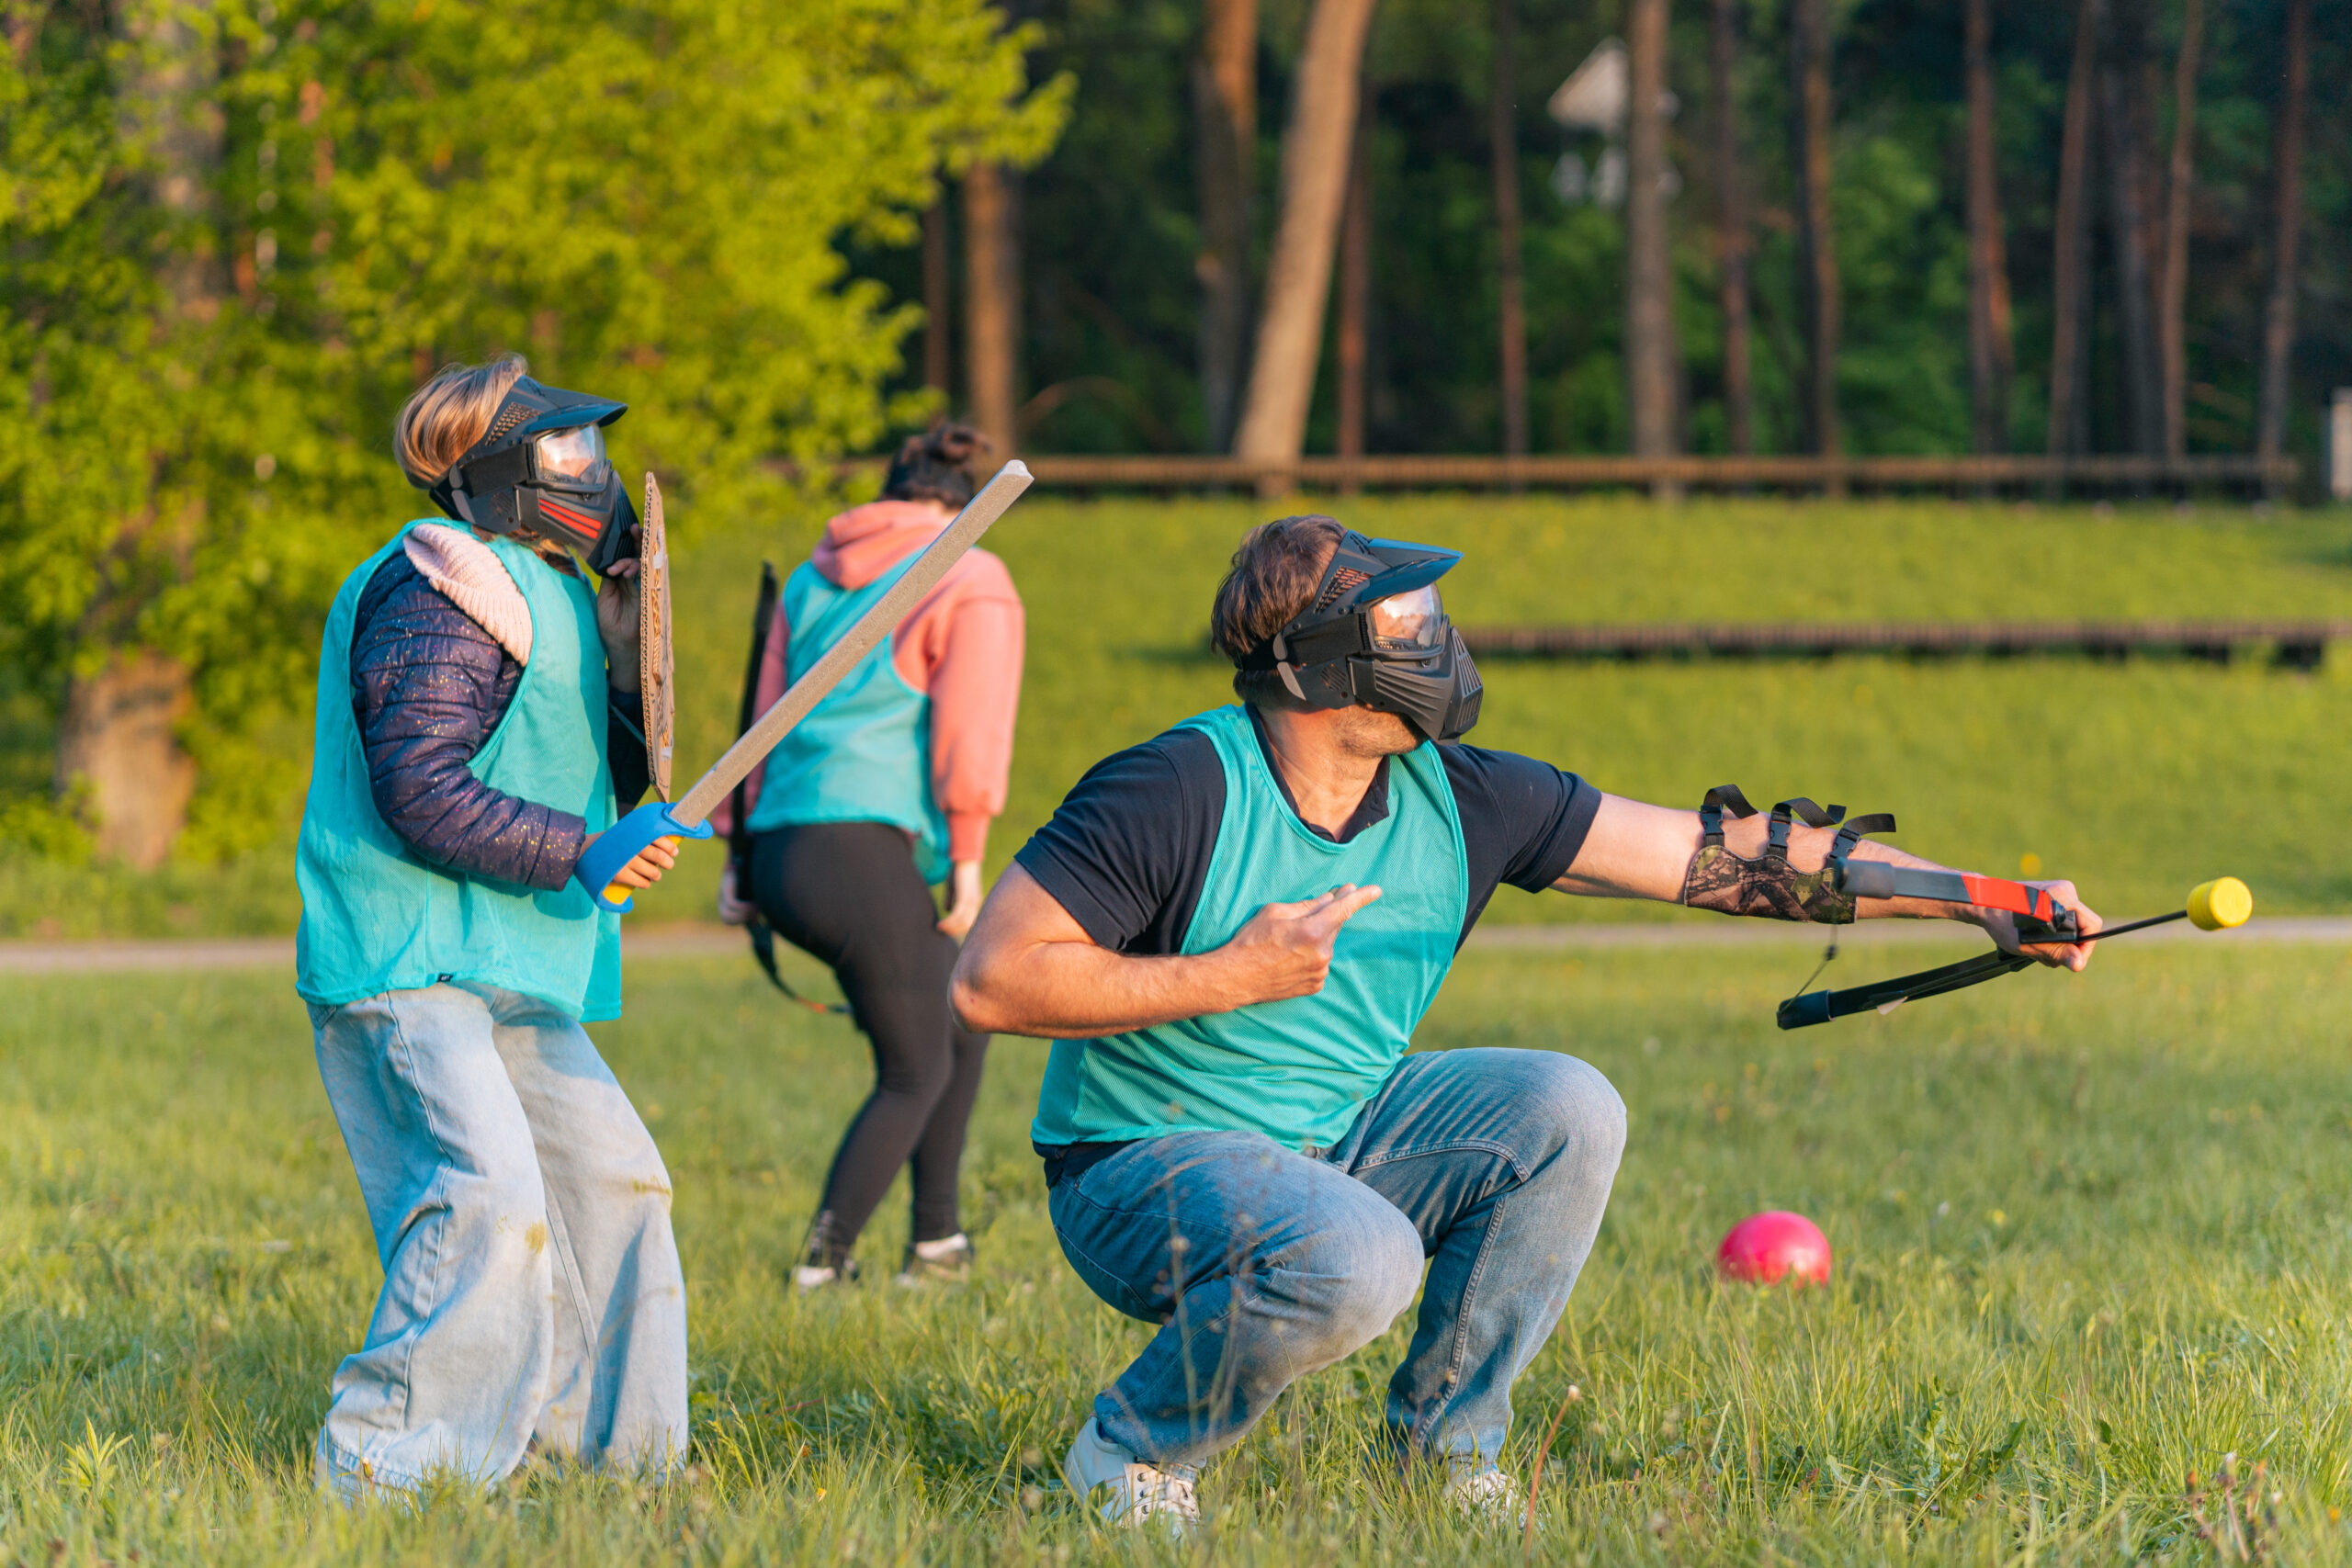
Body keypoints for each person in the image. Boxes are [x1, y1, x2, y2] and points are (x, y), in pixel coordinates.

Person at [950, 514, 2101, 1531]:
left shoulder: (1464, 793)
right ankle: (1131, 1458)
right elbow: (991, 982)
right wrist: (1229, 977)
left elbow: (1726, 857)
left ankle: (1444, 1459)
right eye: (1408, 627)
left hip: (1336, 1135)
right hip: (1135, 1168)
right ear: (1321, 669)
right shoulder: (1175, 789)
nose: (1439, 645)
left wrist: (1985, 900)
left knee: (1565, 1105)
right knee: (1359, 1254)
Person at [293, 355, 687, 1500]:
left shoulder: (550, 588)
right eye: (568, 454)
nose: (592, 476)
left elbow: (604, 766)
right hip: (408, 960)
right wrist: (578, 853)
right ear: (492, 466)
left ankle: (602, 1461)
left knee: (618, 1187)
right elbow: (419, 785)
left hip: (510, 962)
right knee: (488, 1197)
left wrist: (625, 664)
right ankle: (389, 1471)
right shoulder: (439, 583)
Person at [715, 423, 1025, 1290]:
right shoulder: (971, 572)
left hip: (785, 849)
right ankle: (823, 1262)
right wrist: (967, 861)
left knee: (959, 1021)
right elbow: (972, 727)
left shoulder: (813, 578)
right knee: (916, 1062)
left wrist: (739, 858)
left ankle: (936, 1245)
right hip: (859, 851)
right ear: (958, 506)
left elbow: (762, 719)